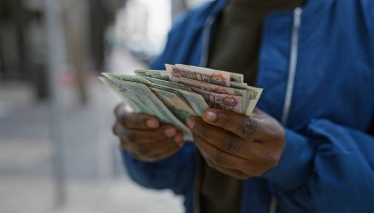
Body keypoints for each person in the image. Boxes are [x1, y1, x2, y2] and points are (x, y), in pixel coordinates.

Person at [112, 0, 374, 212]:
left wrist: (297, 162)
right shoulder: (190, 28)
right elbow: (183, 174)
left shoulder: (365, 18)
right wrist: (144, 144)